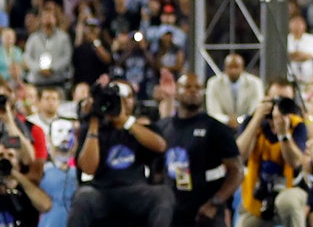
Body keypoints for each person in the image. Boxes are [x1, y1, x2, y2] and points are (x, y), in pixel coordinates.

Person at [67, 79, 174, 227]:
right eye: (117, 98)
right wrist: (93, 123)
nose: (122, 101)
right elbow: (88, 168)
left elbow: (161, 146)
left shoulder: (142, 127)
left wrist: (125, 121)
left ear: (134, 101)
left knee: (163, 194)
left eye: (127, 97)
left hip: (135, 189)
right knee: (82, 197)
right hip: (102, 190)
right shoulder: (94, 127)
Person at [159, 72, 242, 227]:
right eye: (187, 86)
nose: (193, 90)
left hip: (205, 213)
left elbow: (237, 171)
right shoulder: (164, 127)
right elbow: (157, 172)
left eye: (198, 87)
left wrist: (215, 203)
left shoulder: (216, 128)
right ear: (177, 92)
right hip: (172, 211)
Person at [235, 79, 308, 227]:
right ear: (266, 98)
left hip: (291, 189)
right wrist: (257, 118)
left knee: (286, 202)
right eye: (276, 100)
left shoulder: (297, 124)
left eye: (286, 100)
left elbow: (294, 162)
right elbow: (239, 156)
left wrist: (283, 133)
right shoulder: (252, 121)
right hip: (257, 194)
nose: (279, 106)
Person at [205, 54, 264, 130]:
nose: (233, 70)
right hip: (221, 127)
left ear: (242, 68)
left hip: (248, 127)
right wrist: (228, 120)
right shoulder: (213, 83)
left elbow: (256, 109)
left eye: (236, 67)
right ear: (225, 68)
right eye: (230, 67)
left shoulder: (255, 83)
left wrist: (239, 121)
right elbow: (213, 112)